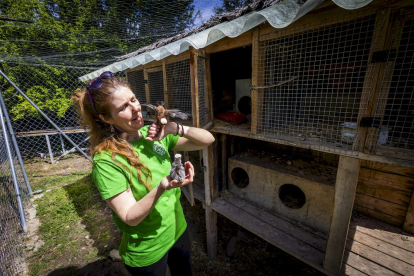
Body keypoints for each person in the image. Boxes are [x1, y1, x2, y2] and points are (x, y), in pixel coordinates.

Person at [72, 71, 215, 276]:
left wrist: (174, 128)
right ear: (106, 118)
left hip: (177, 229)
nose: (135, 109)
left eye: (134, 99)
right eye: (123, 107)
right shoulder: (107, 161)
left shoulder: (156, 136)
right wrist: (163, 186)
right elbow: (130, 217)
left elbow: (207, 140)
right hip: (147, 248)